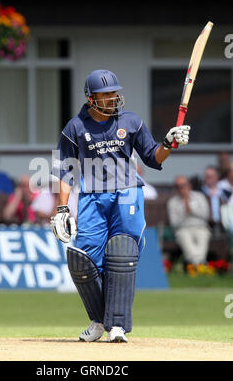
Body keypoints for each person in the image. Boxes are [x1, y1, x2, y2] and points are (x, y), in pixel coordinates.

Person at [50, 69, 190, 343]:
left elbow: (152, 157)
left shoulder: (131, 121)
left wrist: (169, 142)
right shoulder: (75, 127)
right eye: (106, 94)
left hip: (127, 193)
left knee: (122, 254)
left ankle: (118, 327)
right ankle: (100, 320)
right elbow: (64, 171)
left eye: (115, 92)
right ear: (91, 98)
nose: (113, 98)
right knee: (83, 260)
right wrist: (62, 209)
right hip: (92, 196)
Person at [167, 175, 211, 267]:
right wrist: (185, 212)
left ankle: (195, 265)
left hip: (201, 227)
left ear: (189, 185)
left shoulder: (200, 196)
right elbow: (174, 223)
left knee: (202, 238)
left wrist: (191, 209)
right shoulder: (172, 202)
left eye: (183, 185)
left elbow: (206, 215)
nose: (181, 188)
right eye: (178, 186)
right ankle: (200, 265)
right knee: (187, 241)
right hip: (183, 229)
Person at [201, 166, 228, 236]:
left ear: (217, 177)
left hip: (224, 224)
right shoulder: (199, 192)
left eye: (211, 176)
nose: (209, 179)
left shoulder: (225, 192)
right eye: (207, 176)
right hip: (206, 224)